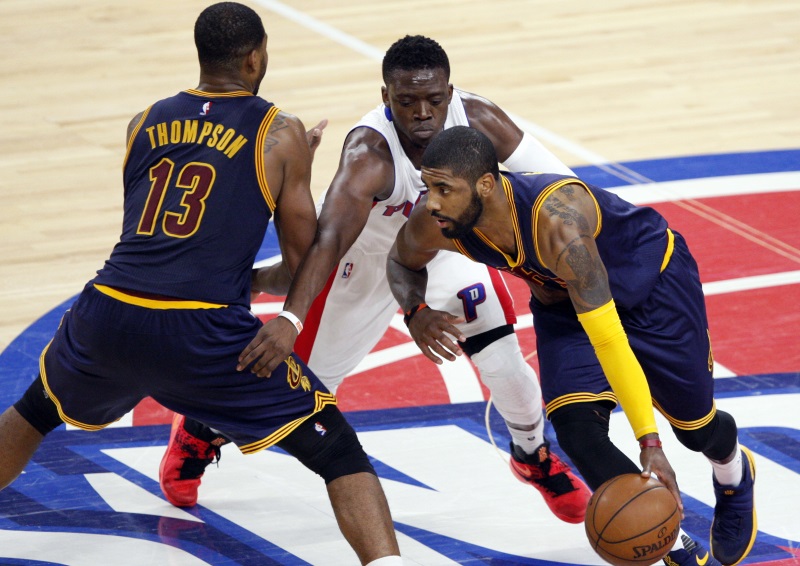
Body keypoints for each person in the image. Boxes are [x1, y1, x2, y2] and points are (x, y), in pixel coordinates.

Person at [0, 4, 402, 565]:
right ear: (256, 57)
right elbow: (302, 266)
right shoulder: (279, 132)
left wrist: (241, 274)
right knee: (337, 450)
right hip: (200, 334)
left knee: (35, 411)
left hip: (108, 311)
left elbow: (165, 251)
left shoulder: (142, 121)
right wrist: (298, 173)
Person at [161, 35, 592, 524]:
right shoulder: (368, 156)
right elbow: (326, 246)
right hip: (362, 265)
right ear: (386, 98)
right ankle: (202, 428)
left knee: (502, 356)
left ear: (451, 93)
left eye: (434, 100)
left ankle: (531, 455)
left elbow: (564, 189)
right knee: (291, 387)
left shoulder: (480, 118)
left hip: (444, 252)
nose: (423, 113)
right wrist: (290, 318)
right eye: (407, 102)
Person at [386, 125, 756, 566]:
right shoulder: (442, 221)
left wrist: (649, 441)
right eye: (428, 186)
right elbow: (400, 260)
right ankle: (670, 544)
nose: (431, 201)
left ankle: (734, 476)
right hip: (565, 307)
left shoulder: (560, 223)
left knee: (695, 430)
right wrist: (415, 310)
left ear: (486, 184)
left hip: (650, 289)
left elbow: (608, 337)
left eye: (444, 189)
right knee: (578, 430)